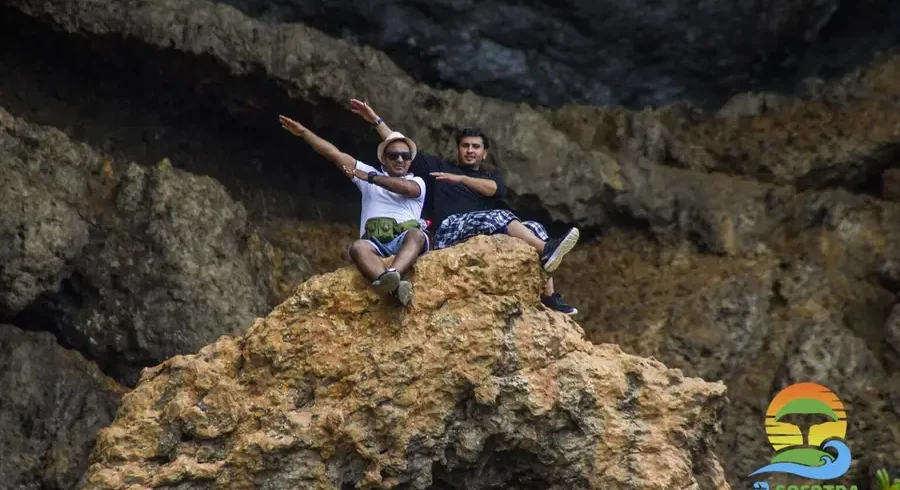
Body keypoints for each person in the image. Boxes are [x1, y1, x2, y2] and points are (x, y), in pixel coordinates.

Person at [348, 100, 579, 315]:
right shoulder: (438, 168)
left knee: (535, 227)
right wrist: (376, 121)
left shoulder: (490, 179)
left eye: (476, 147)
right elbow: (400, 147)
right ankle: (546, 249)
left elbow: (493, 190)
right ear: (458, 149)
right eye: (465, 146)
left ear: (484, 153)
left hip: (480, 226)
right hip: (449, 229)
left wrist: (461, 179)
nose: (470, 150)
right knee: (499, 216)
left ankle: (549, 295)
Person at [279, 114, 428, 305]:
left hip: (403, 239)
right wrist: (304, 133)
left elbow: (406, 189)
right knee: (357, 247)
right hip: (375, 242)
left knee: (417, 235)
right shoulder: (366, 175)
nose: (400, 159)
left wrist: (371, 178)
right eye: (393, 155)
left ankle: (393, 274)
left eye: (405, 156)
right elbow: (334, 154)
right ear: (383, 159)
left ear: (410, 161)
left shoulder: (417, 181)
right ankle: (395, 287)